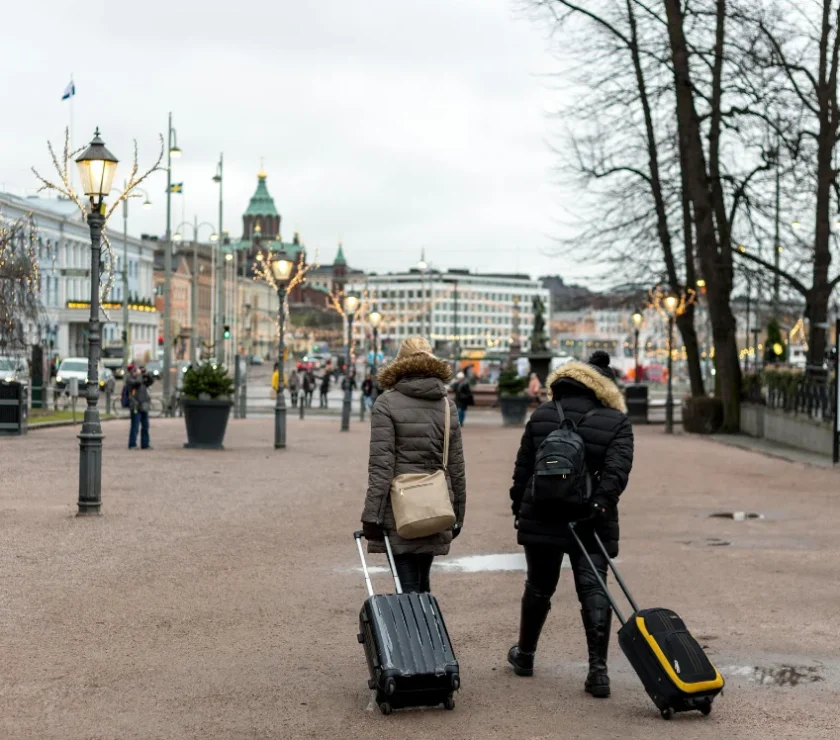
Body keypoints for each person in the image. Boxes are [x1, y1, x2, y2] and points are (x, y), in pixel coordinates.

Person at [507, 350, 634, 698]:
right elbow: (617, 473)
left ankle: (526, 656)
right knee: (594, 590)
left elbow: (523, 469)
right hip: (590, 518)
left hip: (542, 512)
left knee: (538, 587)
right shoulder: (617, 420)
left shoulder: (543, 414)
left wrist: (520, 507)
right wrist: (601, 504)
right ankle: (598, 671)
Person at [361, 337, 467, 593]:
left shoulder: (386, 403)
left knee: (407, 586)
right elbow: (456, 466)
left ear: (400, 363)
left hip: (400, 506)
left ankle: (414, 632)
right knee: (422, 581)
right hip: (435, 502)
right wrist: (458, 514)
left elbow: (381, 466)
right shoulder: (446, 405)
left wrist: (371, 516)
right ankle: (430, 631)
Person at [126, 364, 154, 450]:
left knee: (145, 426)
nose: (138, 372)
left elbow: (150, 381)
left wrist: (146, 374)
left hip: (144, 405)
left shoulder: (141, 379)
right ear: (132, 372)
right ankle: (132, 444)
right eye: (136, 370)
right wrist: (139, 375)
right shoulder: (130, 379)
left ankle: (145, 444)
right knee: (135, 426)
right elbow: (137, 382)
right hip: (135, 406)